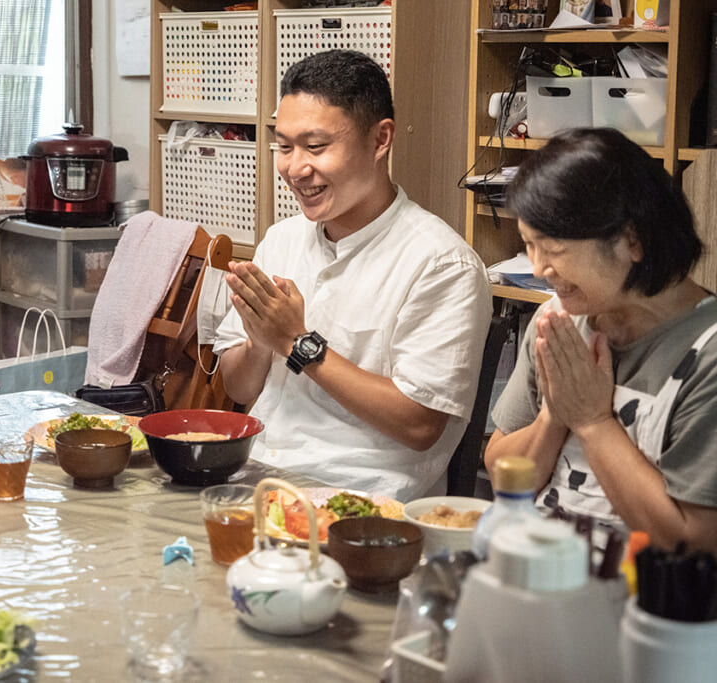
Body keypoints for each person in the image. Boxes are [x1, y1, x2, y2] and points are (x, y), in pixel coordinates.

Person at [212, 50, 492, 500]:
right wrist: (260, 340)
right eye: (284, 146)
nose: (295, 168)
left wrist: (296, 342)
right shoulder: (282, 239)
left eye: (316, 147)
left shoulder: (441, 264)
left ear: (381, 139)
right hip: (257, 474)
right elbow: (239, 386)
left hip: (361, 500)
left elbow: (420, 425)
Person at [485, 127, 717, 554]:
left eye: (552, 249)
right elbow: (503, 474)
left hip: (640, 607)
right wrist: (556, 415)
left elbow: (692, 544)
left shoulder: (708, 355)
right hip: (536, 580)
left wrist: (593, 422)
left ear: (632, 239)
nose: (538, 270)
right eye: (528, 246)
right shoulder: (557, 320)